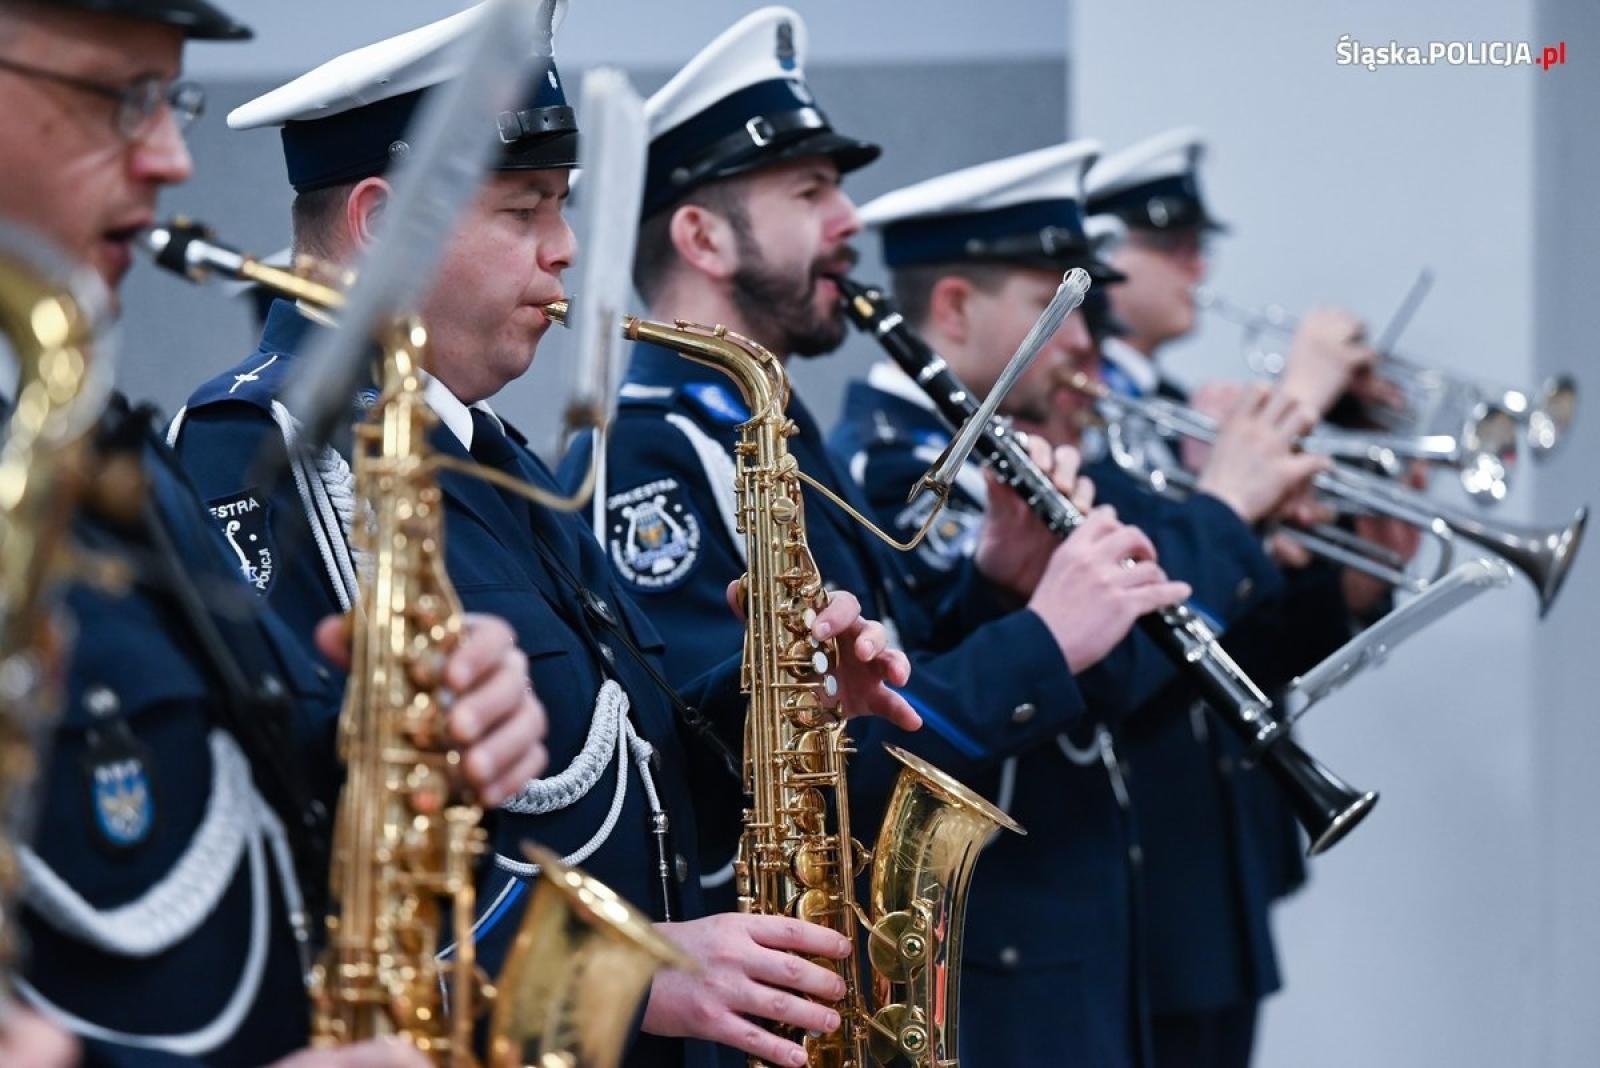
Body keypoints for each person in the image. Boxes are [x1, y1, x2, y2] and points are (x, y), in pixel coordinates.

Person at [166, 7, 918, 1067]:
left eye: (561, 206)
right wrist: (630, 970)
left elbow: (609, 767)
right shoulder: (275, 447)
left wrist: (777, 702)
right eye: (526, 209)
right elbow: (315, 834)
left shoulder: (490, 448)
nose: (566, 248)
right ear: (385, 221)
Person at [568, 15, 1191, 1011]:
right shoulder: (648, 453)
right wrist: (1041, 640)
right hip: (795, 990)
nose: (849, 220)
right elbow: (765, 761)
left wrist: (994, 580)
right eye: (810, 192)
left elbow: (885, 667)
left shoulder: (770, 426)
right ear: (701, 236)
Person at [0, 1, 544, 1064]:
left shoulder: (91, 431)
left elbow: (243, 771)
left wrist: (411, 723)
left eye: (172, 102)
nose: (171, 161)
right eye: (122, 99)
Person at [834, 138, 1326, 1067]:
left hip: (1092, 935)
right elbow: (1107, 673)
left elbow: (1148, 652)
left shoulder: (1014, 451)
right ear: (952, 307)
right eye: (1051, 307)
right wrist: (1222, 511)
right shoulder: (893, 470)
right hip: (1000, 954)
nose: (1086, 344)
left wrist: (1322, 574)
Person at [1085, 127, 1405, 1068]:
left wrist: (1346, 577)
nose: (1199, 263)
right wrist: (1298, 397)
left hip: (1223, 862)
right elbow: (1142, 637)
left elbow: (1243, 652)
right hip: (1145, 858)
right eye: (1170, 244)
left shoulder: (1174, 407)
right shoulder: (1096, 426)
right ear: (1104, 259)